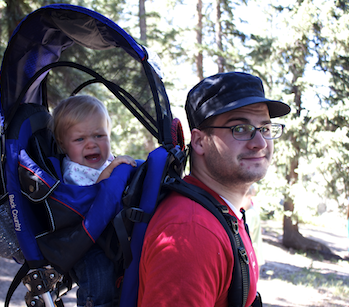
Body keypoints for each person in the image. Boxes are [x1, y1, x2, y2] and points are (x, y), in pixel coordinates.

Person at [138, 71, 291, 306]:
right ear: (199, 141)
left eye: (265, 128)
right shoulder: (191, 233)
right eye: (240, 128)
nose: (260, 143)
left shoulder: (224, 214)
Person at [51, 95, 136, 307]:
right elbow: (96, 194)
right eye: (80, 139)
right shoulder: (73, 169)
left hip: (106, 233)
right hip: (85, 242)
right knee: (98, 276)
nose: (91, 144)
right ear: (63, 145)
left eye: (99, 135)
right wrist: (112, 170)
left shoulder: (105, 161)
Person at [243, 184, 265, 267]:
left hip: (252, 257)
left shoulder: (250, 214)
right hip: (255, 256)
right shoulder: (252, 211)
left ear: (249, 197)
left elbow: (248, 236)